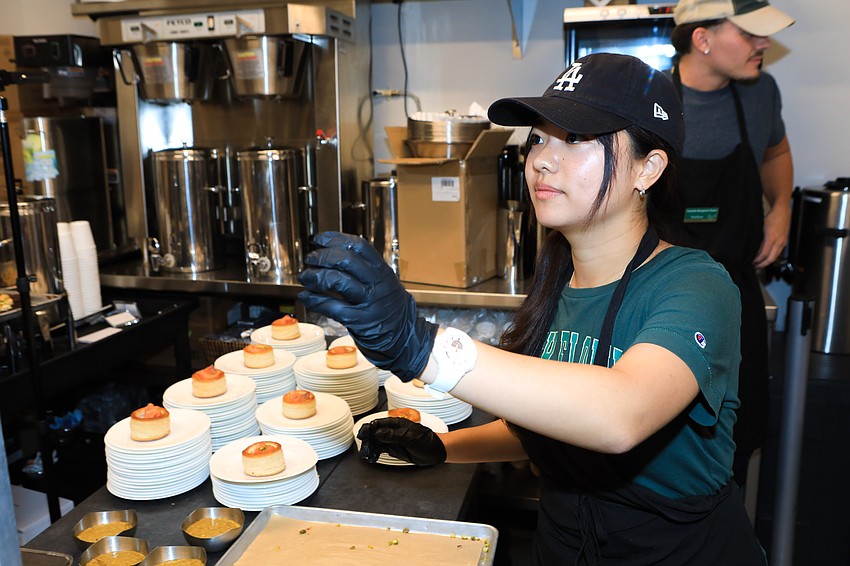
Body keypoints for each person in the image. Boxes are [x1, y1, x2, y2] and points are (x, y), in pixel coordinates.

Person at [299, 53, 765, 564]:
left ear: (647, 168)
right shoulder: (555, 283)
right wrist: (444, 447)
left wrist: (422, 346)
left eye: (577, 139)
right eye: (538, 139)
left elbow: (620, 415)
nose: (542, 159)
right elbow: (554, 424)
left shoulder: (696, 286)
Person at [670, 0, 795, 486]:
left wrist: (780, 206)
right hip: (660, 304)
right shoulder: (651, 97)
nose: (764, 43)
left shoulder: (762, 92)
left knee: (730, 451)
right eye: (749, 33)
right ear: (701, 39)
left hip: (736, 303)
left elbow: (775, 151)